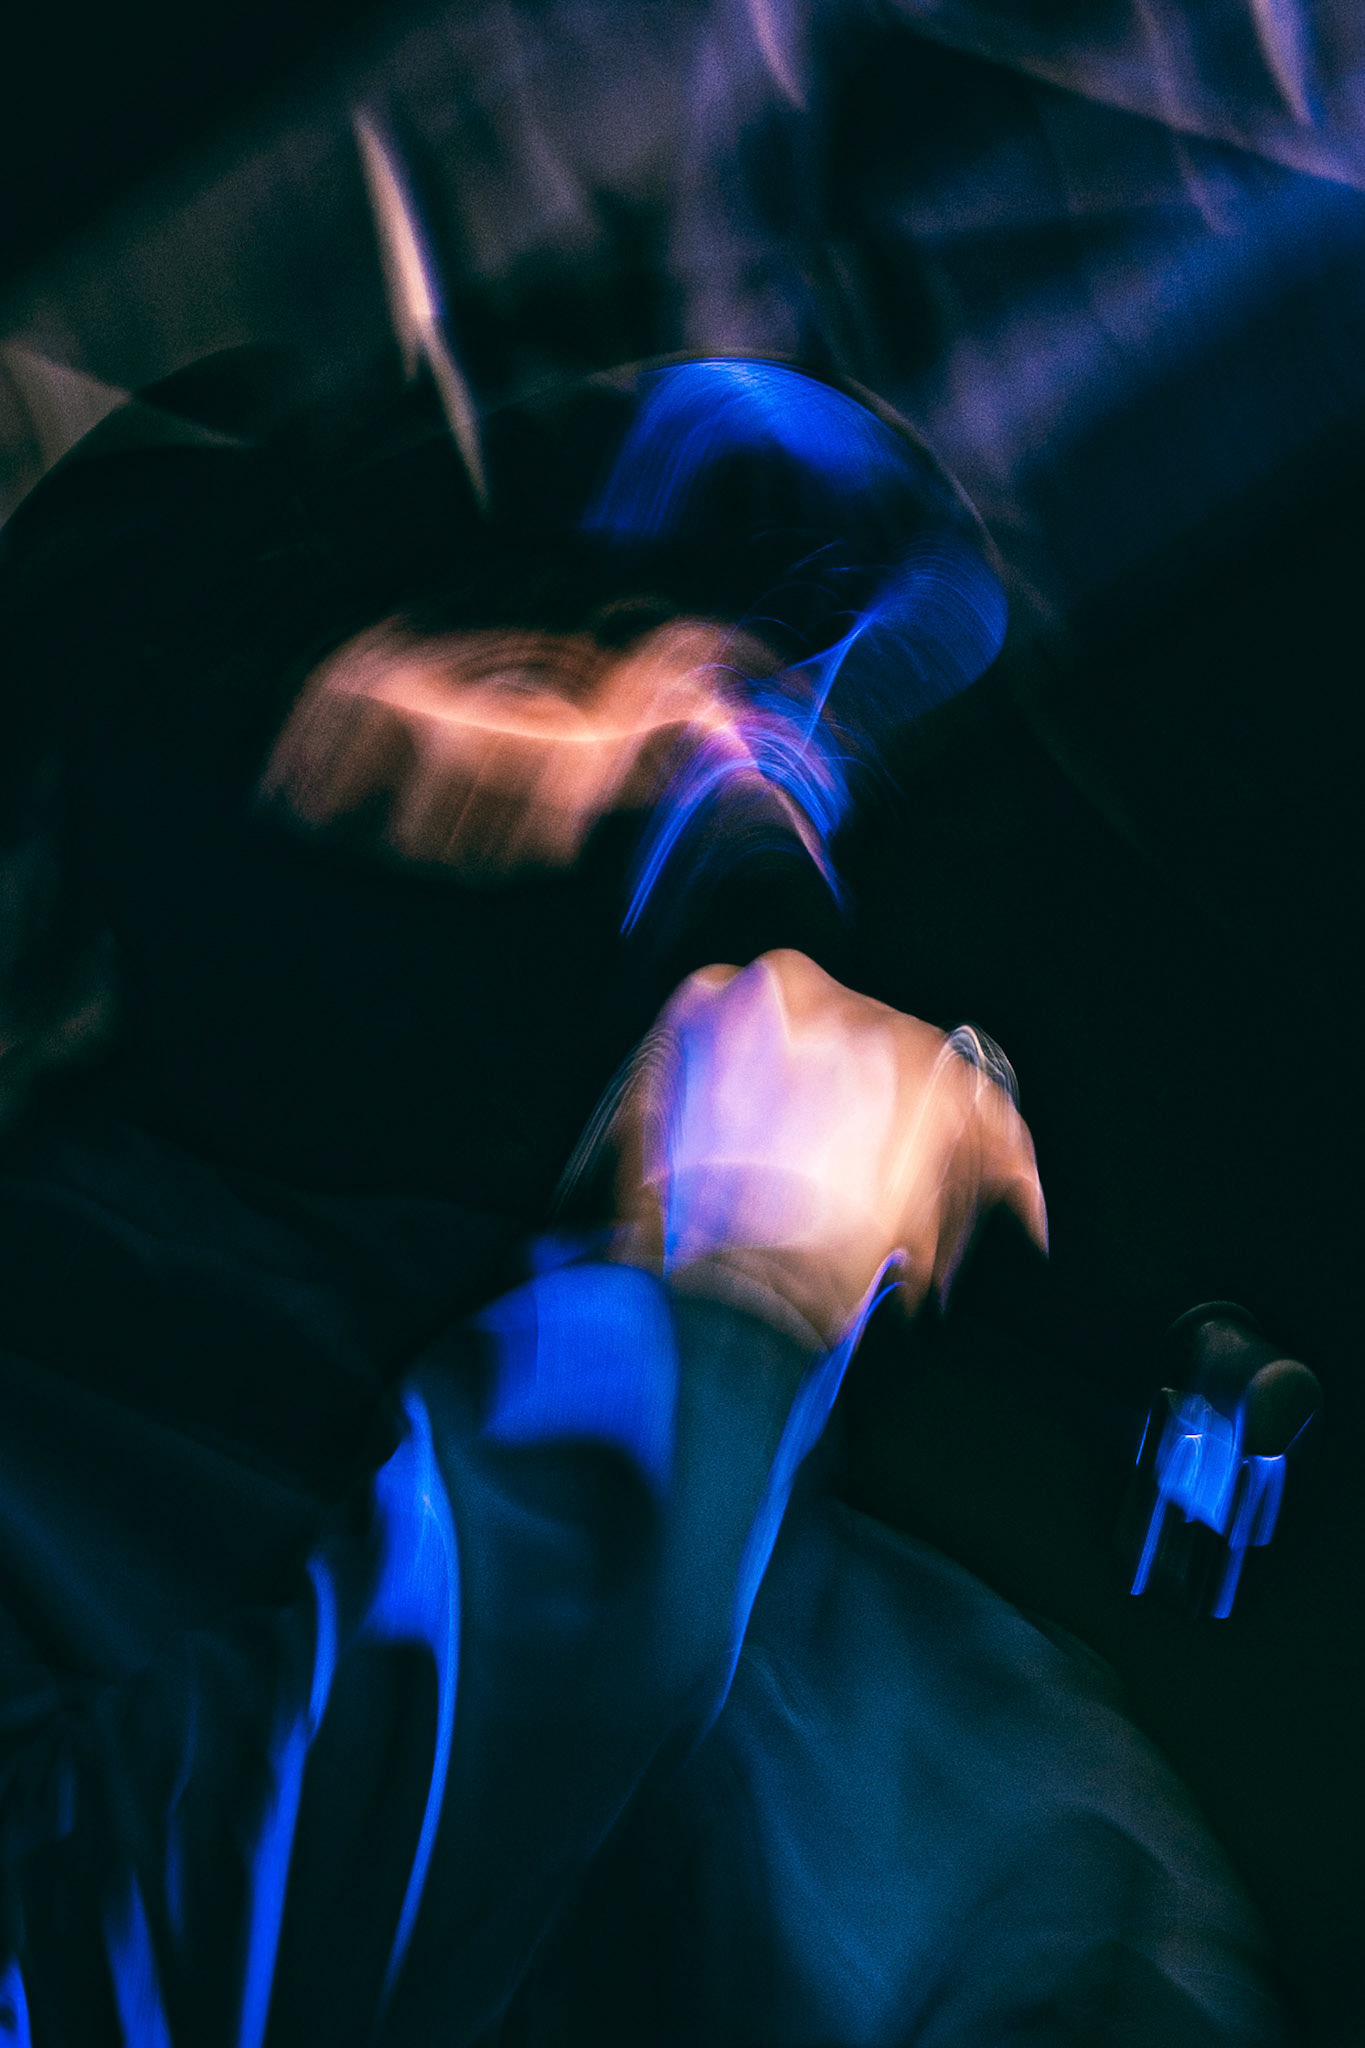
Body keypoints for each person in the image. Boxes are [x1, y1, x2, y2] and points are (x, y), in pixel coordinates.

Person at [0, 351, 1286, 2044]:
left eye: (758, 694)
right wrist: (706, 1328)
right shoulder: (48, 1478)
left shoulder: (971, 1743)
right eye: (543, 664)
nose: (720, 757)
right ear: (214, 774)